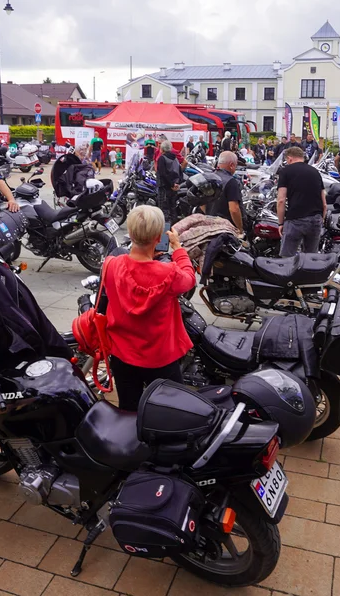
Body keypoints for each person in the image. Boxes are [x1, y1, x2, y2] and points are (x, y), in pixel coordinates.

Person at [101, 205, 194, 411]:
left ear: (131, 233)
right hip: (160, 358)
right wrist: (178, 247)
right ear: (158, 237)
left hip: (122, 355)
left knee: (128, 408)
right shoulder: (169, 273)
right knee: (171, 409)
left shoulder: (111, 265)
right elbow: (189, 279)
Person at [277, 146, 326, 256]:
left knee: (287, 259)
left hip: (295, 219)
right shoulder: (315, 172)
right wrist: (320, 219)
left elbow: (281, 200)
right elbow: (324, 203)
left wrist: (280, 223)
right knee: (310, 258)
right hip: (315, 219)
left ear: (289, 158)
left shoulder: (285, 171)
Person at [206, 151, 244, 234]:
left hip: (209, 226)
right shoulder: (231, 182)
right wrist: (240, 228)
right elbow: (234, 209)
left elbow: (201, 203)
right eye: (235, 166)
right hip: (225, 229)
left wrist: (209, 214)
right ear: (231, 165)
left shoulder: (209, 177)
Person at [155, 140, 182, 224]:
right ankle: (173, 231)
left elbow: (163, 174)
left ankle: (164, 235)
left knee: (164, 212)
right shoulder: (175, 158)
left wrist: (171, 184)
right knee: (173, 210)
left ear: (162, 149)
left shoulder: (162, 158)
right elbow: (180, 172)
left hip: (164, 188)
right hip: (174, 188)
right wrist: (176, 184)